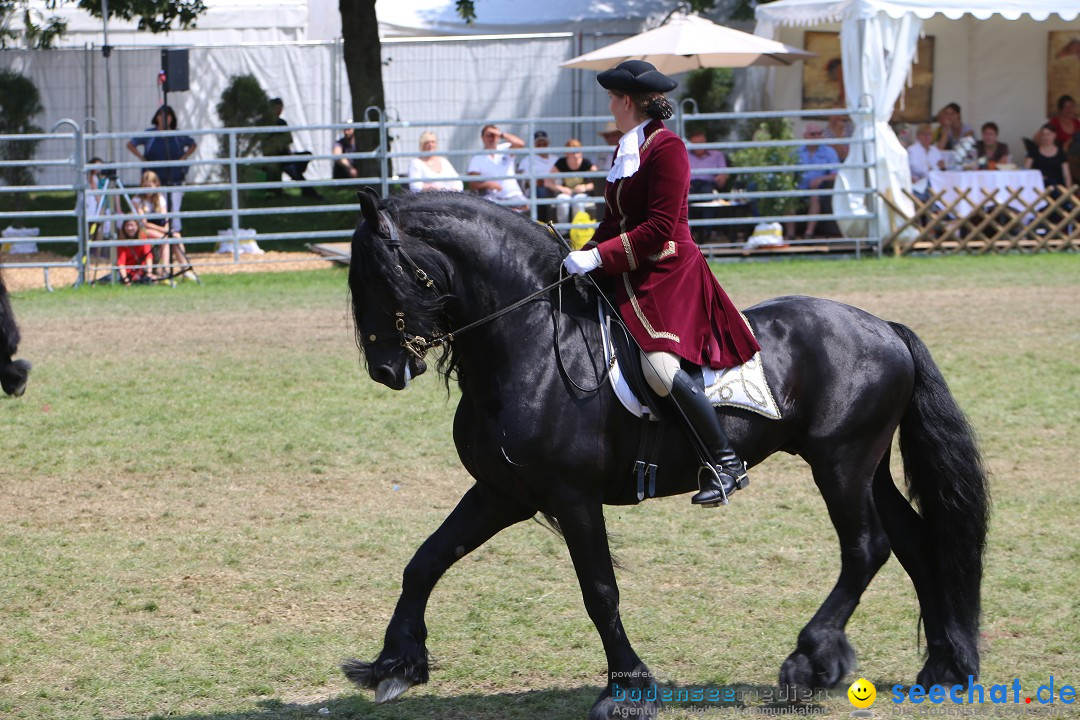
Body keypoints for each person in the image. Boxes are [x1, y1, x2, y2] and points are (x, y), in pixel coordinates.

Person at [561, 60, 760, 507]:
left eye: (613, 99)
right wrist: (583, 255)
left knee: (659, 367)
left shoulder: (668, 148)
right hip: (631, 268)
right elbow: (615, 219)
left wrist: (599, 256)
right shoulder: (627, 149)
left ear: (627, 101)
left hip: (668, 271)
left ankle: (725, 461)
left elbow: (659, 228)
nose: (610, 107)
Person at [126, 105, 196, 234]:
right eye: (161, 115)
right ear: (156, 117)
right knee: (154, 212)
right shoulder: (150, 134)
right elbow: (131, 144)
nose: (164, 118)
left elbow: (193, 144)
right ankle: (157, 239)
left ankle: (174, 237)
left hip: (174, 179)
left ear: (172, 118)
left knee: (174, 212)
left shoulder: (177, 135)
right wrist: (142, 158)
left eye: (168, 115)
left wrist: (183, 158)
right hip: (154, 183)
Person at [790, 123, 840, 239]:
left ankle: (809, 233)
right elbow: (788, 172)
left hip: (819, 188)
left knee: (814, 195)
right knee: (789, 197)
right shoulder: (796, 152)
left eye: (819, 133)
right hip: (799, 188)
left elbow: (837, 174)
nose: (817, 136)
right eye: (813, 134)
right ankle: (790, 234)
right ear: (805, 136)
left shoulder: (829, 152)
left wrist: (822, 178)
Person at [266, 97, 321, 199]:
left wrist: (279, 143)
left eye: (280, 108)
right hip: (277, 158)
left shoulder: (281, 122)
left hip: (285, 155)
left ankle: (308, 191)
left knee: (306, 155)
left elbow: (289, 139)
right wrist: (278, 143)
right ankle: (310, 193)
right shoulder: (266, 123)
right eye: (277, 108)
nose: (279, 110)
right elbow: (268, 145)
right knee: (293, 169)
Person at [467, 124, 527, 210]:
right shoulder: (477, 158)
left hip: (513, 195)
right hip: (492, 198)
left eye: (494, 135)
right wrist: (487, 184)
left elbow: (520, 144)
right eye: (489, 135)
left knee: (525, 209)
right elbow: (472, 184)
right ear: (482, 137)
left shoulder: (505, 148)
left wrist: (501, 134)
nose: (492, 138)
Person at [551, 139, 597, 224]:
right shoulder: (561, 162)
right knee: (562, 202)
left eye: (578, 152)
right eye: (572, 152)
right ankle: (563, 233)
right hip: (566, 194)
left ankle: (577, 232)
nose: (576, 156)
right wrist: (561, 188)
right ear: (566, 153)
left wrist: (585, 187)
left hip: (581, 194)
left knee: (578, 202)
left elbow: (599, 181)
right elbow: (547, 182)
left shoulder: (586, 162)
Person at [517, 130, 557, 219]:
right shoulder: (527, 160)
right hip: (536, 191)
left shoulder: (555, 159)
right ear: (535, 145)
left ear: (548, 144)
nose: (542, 146)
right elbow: (524, 181)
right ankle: (543, 223)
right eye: (539, 144)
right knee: (540, 191)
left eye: (544, 144)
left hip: (555, 188)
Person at [908, 123, 947, 200]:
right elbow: (916, 168)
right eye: (924, 135)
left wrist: (940, 167)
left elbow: (940, 166)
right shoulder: (912, 150)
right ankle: (935, 209)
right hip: (918, 183)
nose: (927, 137)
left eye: (929, 135)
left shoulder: (934, 150)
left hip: (935, 181)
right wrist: (932, 170)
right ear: (918, 136)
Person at [1026, 123, 1072, 188]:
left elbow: (1066, 175)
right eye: (1043, 134)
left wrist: (1068, 191)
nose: (1045, 137)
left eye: (1048, 134)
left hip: (1056, 186)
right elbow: (1026, 170)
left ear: (1054, 135)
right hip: (1039, 185)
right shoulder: (1033, 152)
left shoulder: (1061, 154)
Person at [686, 129, 729, 195]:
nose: (699, 146)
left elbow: (723, 171)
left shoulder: (717, 155)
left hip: (708, 183)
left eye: (700, 143)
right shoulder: (685, 155)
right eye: (696, 143)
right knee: (686, 194)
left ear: (706, 142)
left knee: (707, 191)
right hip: (690, 184)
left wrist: (722, 176)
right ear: (691, 143)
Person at [115, 219, 153, 284]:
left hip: (140, 271)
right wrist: (126, 280)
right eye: (127, 225)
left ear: (137, 226)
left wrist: (149, 273)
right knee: (112, 279)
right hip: (126, 272)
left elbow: (148, 256)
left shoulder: (143, 237)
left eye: (132, 225)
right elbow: (121, 263)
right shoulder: (121, 241)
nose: (129, 228)